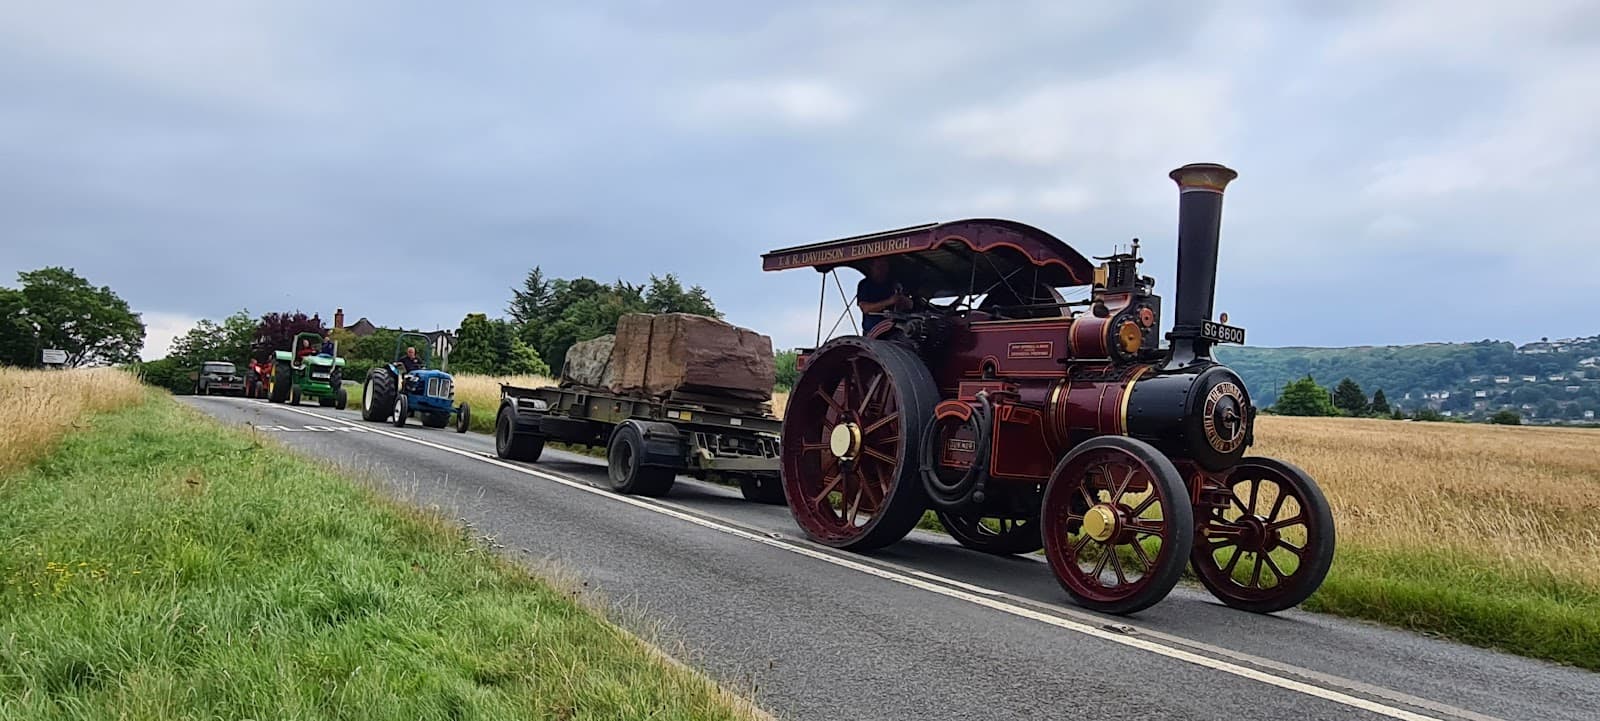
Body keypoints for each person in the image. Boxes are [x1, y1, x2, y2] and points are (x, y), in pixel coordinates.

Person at [856, 257, 910, 333]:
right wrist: (889, 301)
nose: (882, 270)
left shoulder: (893, 284)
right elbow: (866, 308)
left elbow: (908, 305)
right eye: (879, 267)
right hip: (874, 332)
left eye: (884, 266)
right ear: (872, 268)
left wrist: (904, 301)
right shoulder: (865, 285)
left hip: (896, 329)